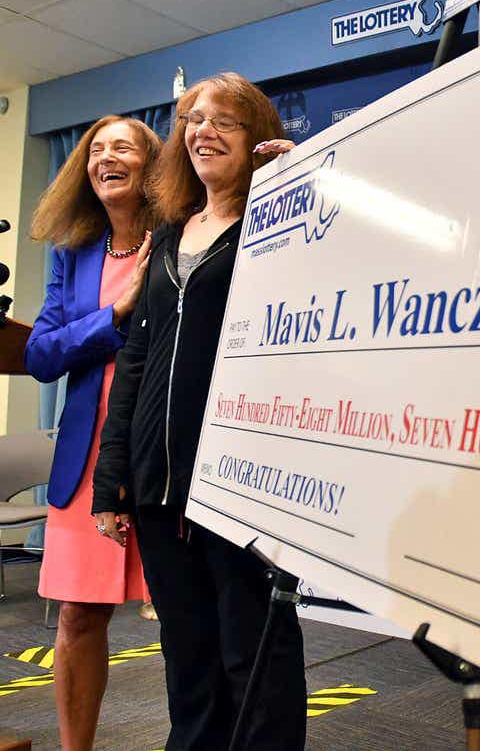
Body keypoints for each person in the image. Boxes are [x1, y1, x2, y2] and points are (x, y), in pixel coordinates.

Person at [92, 72, 302, 751]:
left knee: (254, 656)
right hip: (158, 486)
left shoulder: (278, 224)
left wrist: (301, 186)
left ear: (255, 135)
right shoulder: (166, 235)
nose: (204, 131)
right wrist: (113, 476)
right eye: (193, 120)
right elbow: (135, 359)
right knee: (187, 660)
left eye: (224, 121)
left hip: (241, 481)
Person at [24, 115, 161, 751]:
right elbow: (41, 355)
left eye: (123, 147)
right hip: (85, 462)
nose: (107, 157)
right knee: (78, 618)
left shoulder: (182, 237)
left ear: (152, 163)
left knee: (186, 617)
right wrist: (114, 314)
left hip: (164, 452)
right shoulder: (72, 253)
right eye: (96, 149)